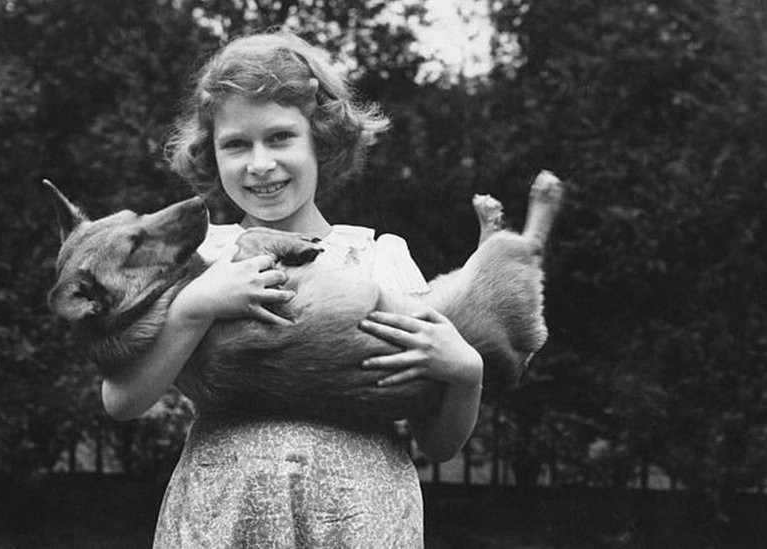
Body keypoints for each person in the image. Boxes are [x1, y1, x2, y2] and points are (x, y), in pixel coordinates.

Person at [102, 31, 483, 548]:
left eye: (280, 137)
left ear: (320, 143)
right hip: (225, 515)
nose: (259, 163)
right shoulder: (200, 260)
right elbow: (122, 400)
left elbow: (438, 443)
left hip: (358, 517)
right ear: (211, 156)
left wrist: (465, 375)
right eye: (236, 144)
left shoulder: (376, 261)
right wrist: (194, 308)